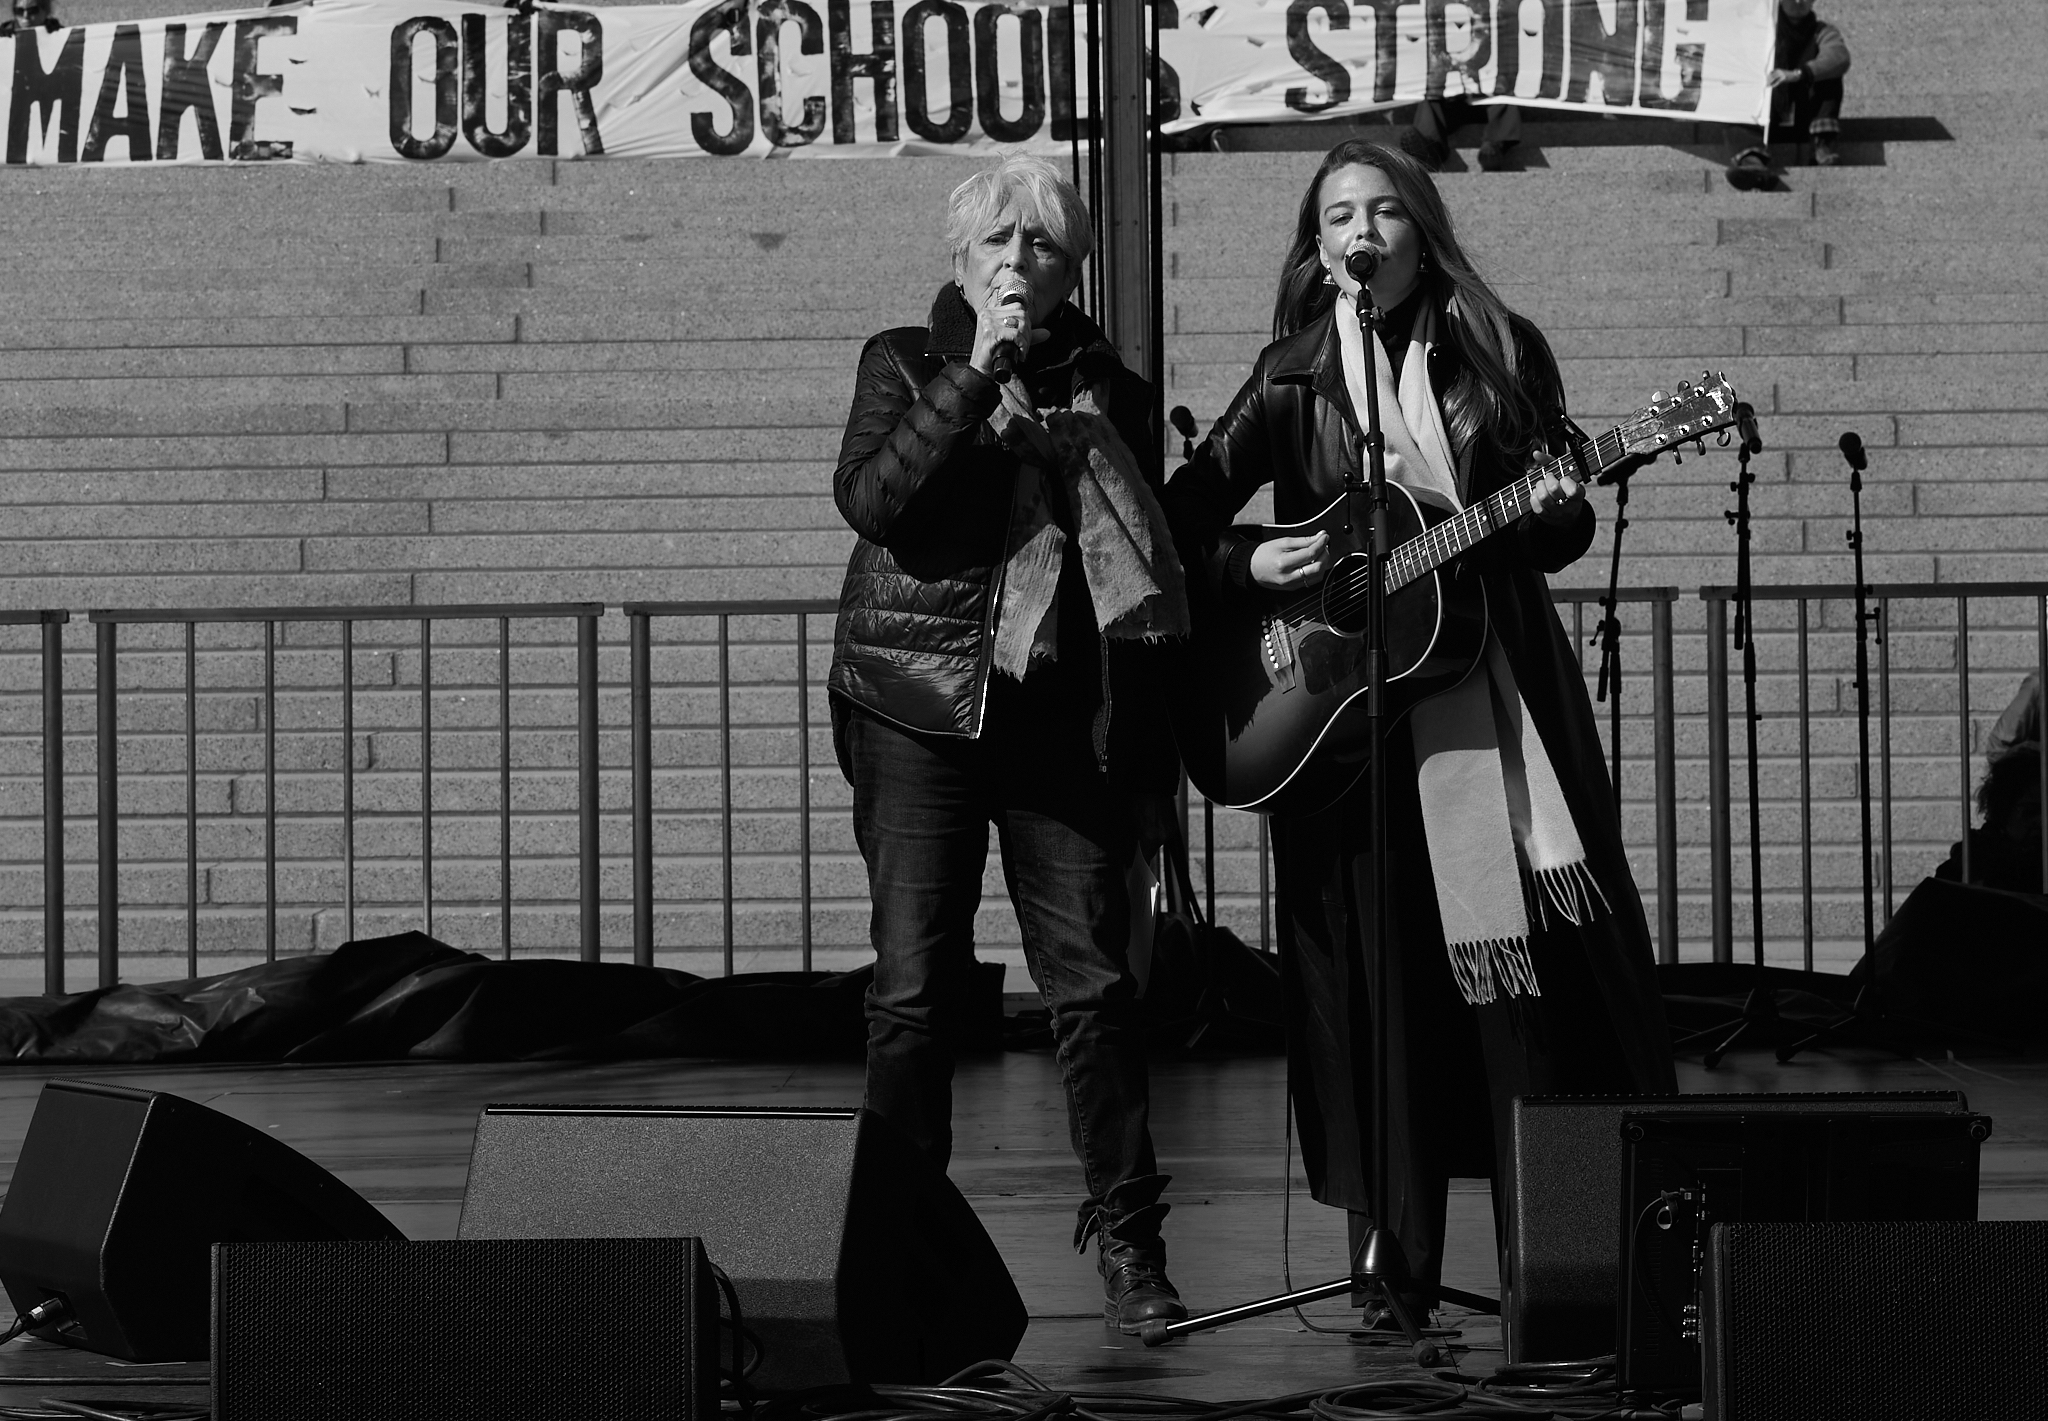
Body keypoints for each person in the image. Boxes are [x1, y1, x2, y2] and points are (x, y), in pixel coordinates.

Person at [1164, 139, 1677, 1320]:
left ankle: (1549, 1267)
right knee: (1375, 1005)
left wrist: (1556, 503)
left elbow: (1553, 535)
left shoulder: (1497, 350)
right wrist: (1248, 557)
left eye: (1383, 209)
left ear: (1419, 228)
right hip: (1341, 733)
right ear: (1316, 248)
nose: (1362, 230)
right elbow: (1180, 515)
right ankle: (1388, 1272)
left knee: (1521, 997)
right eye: (1337, 213)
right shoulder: (1290, 376)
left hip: (1495, 703)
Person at [827, 154, 1191, 1333]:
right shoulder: (903, 360)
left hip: (1055, 717)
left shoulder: (1108, 391)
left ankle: (1131, 1246)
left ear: (1071, 267)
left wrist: (1145, 775)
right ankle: (896, 1243)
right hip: (915, 705)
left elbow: (1146, 566)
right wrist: (976, 379)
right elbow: (878, 504)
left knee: (1091, 987)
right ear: (957, 262)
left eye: (1038, 245)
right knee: (914, 991)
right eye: (994, 242)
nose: (1014, 264)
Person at [1727, 0, 1850, 188]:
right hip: (1767, 115)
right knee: (1733, 85)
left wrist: (1798, 74)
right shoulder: (1760, 30)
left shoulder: (1823, 31)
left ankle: (1822, 146)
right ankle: (1751, 158)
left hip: (1806, 118)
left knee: (1829, 73)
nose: (1798, 1)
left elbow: (1839, 57)